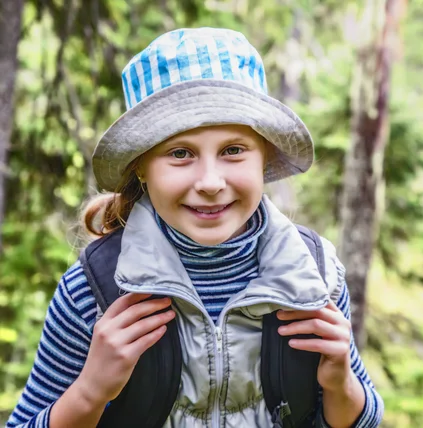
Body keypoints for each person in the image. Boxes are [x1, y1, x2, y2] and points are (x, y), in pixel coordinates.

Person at [6, 27, 384, 428]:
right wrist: (89, 392)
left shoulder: (314, 275)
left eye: (233, 150)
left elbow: (361, 417)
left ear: (264, 157)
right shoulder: (93, 291)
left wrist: (341, 385)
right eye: (180, 153)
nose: (210, 182)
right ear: (141, 167)